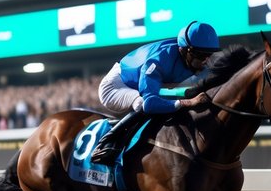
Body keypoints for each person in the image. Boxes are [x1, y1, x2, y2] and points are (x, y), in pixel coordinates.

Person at [89, 20, 218, 165]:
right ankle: (108, 142)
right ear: (184, 50)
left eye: (209, 55)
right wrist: (188, 102)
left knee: (173, 102)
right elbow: (149, 104)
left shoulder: (194, 58)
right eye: (201, 55)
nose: (206, 61)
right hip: (115, 87)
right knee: (141, 103)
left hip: (142, 85)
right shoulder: (158, 60)